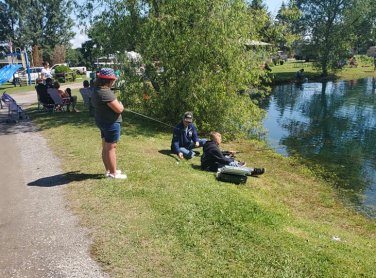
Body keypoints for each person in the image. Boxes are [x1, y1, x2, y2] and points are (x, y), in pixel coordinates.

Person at [91, 68, 127, 179]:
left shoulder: (97, 90)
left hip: (102, 122)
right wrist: (121, 104)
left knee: (106, 147)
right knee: (111, 148)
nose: (114, 81)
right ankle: (113, 174)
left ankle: (109, 170)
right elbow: (119, 109)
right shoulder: (105, 92)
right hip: (110, 123)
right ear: (109, 80)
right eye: (113, 80)